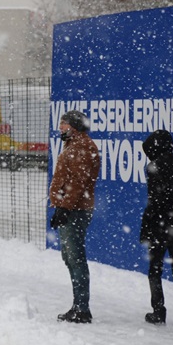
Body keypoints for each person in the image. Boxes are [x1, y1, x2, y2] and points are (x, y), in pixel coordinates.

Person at [49, 110, 100, 324]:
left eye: (64, 124)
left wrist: (65, 207)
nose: (60, 128)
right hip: (71, 208)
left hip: (75, 211)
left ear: (74, 126)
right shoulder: (73, 145)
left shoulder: (82, 147)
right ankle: (78, 305)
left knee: (76, 258)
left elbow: (78, 182)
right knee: (69, 257)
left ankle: (82, 308)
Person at [140, 130, 173, 325]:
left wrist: (146, 228)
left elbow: (154, 202)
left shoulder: (154, 167)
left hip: (160, 227)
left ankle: (158, 310)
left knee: (155, 269)